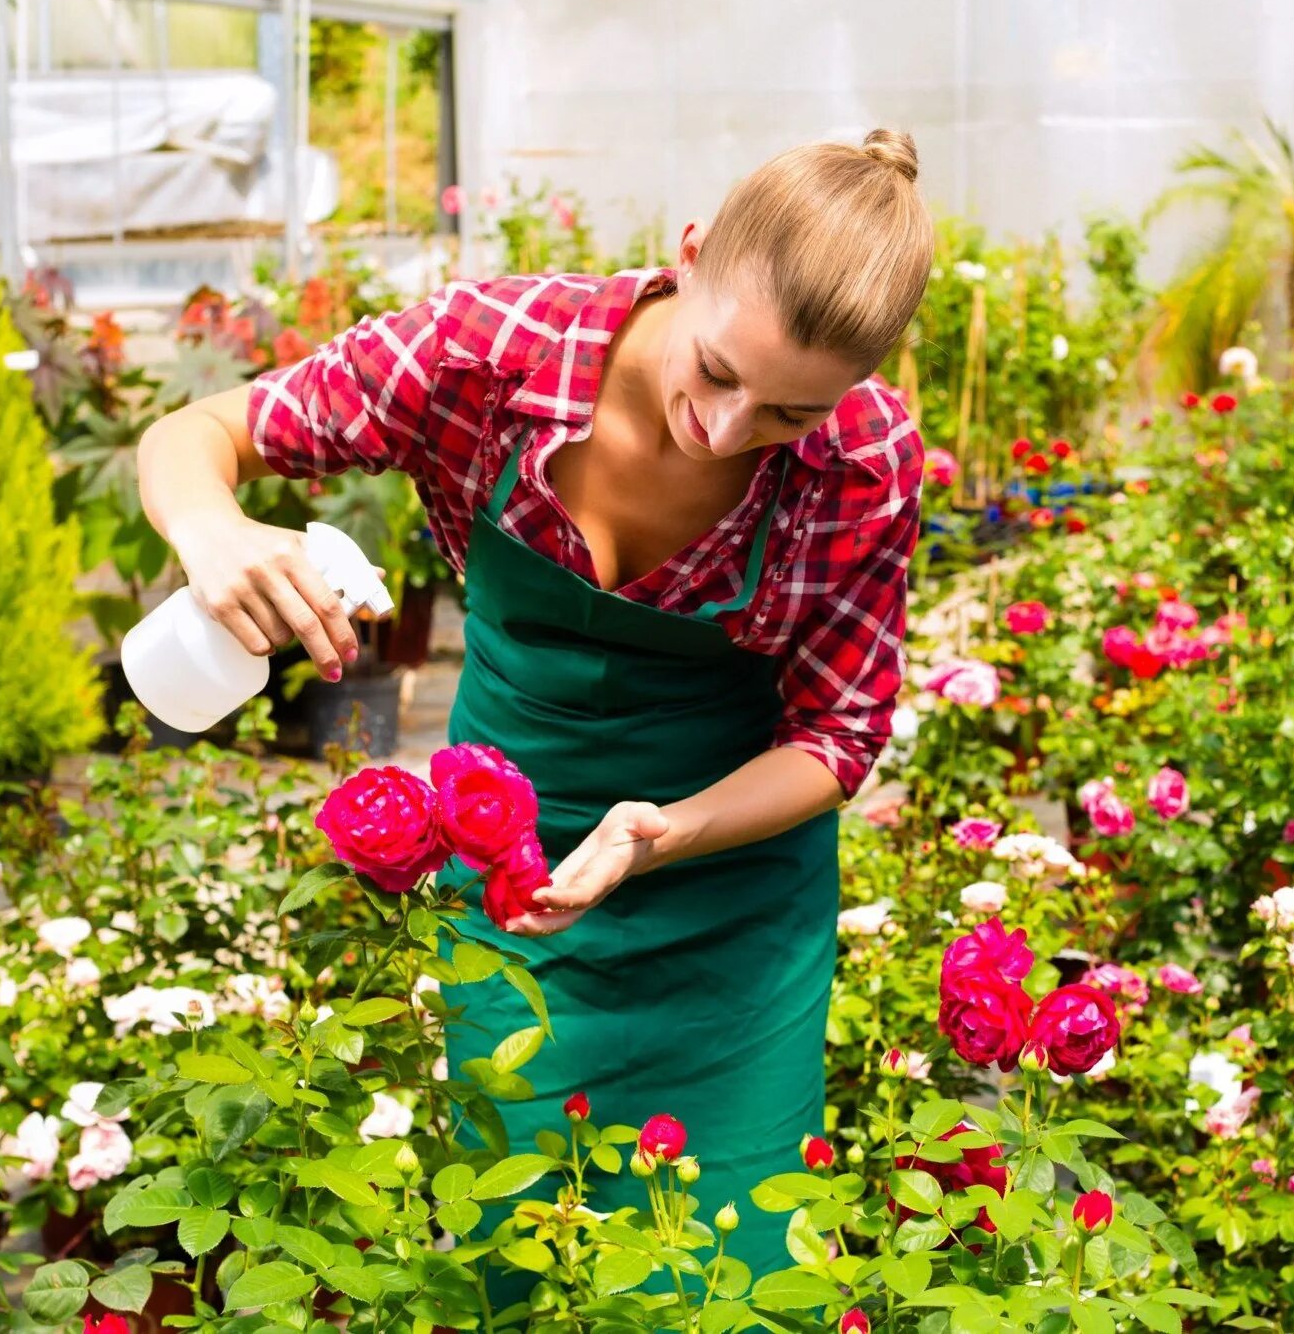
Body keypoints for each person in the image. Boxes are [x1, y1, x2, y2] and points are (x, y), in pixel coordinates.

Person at [136, 128, 934, 1299]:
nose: (724, 429)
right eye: (716, 371)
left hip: (728, 904)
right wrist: (212, 534)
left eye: (783, 415)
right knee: (523, 1249)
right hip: (507, 879)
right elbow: (198, 435)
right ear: (689, 253)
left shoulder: (865, 464)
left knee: (730, 1277)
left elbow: (837, 734)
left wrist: (667, 832)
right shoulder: (490, 353)